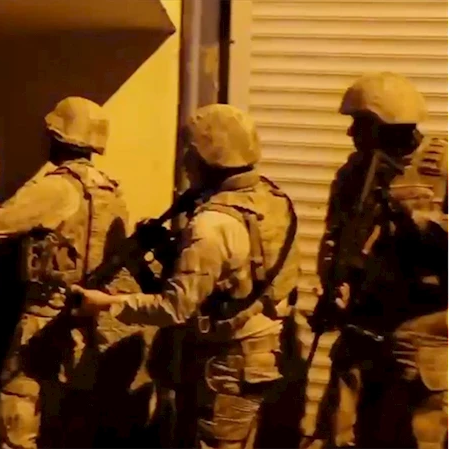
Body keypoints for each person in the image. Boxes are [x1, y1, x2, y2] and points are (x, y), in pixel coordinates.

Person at [73, 103, 301, 449]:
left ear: (206, 158)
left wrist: (105, 303)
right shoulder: (271, 197)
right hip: (257, 349)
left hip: (228, 362)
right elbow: (240, 274)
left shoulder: (211, 225)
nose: (184, 162)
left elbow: (174, 308)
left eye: (189, 153)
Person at [0, 96, 159, 448]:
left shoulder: (54, 187)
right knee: (69, 421)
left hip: (46, 314)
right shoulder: (112, 191)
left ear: (57, 137)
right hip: (89, 318)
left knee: (17, 409)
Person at [301, 71, 448, 449]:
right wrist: (334, 289)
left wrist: (418, 221)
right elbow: (336, 238)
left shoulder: (442, 167)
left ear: (388, 125)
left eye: (360, 123)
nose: (351, 133)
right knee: (340, 432)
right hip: (363, 328)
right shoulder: (353, 174)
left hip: (423, 333)